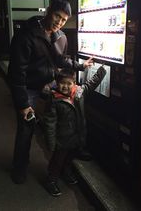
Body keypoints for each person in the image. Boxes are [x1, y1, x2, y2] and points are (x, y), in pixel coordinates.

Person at [8, 0, 93, 184]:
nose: (59, 22)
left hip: (49, 85)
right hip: (29, 89)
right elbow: (16, 73)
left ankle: (63, 163)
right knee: (26, 129)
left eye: (63, 20)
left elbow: (61, 60)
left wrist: (80, 65)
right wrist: (23, 104)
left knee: (68, 114)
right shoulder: (27, 35)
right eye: (57, 16)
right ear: (48, 10)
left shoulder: (59, 36)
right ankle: (19, 167)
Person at [40, 65, 106, 196]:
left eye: (68, 83)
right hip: (61, 139)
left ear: (74, 84)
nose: (65, 86)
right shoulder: (54, 100)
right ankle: (51, 180)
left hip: (76, 136)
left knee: (70, 156)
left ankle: (66, 172)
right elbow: (50, 123)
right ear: (56, 84)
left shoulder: (79, 93)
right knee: (57, 161)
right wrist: (51, 142)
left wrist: (102, 71)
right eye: (62, 83)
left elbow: (91, 84)